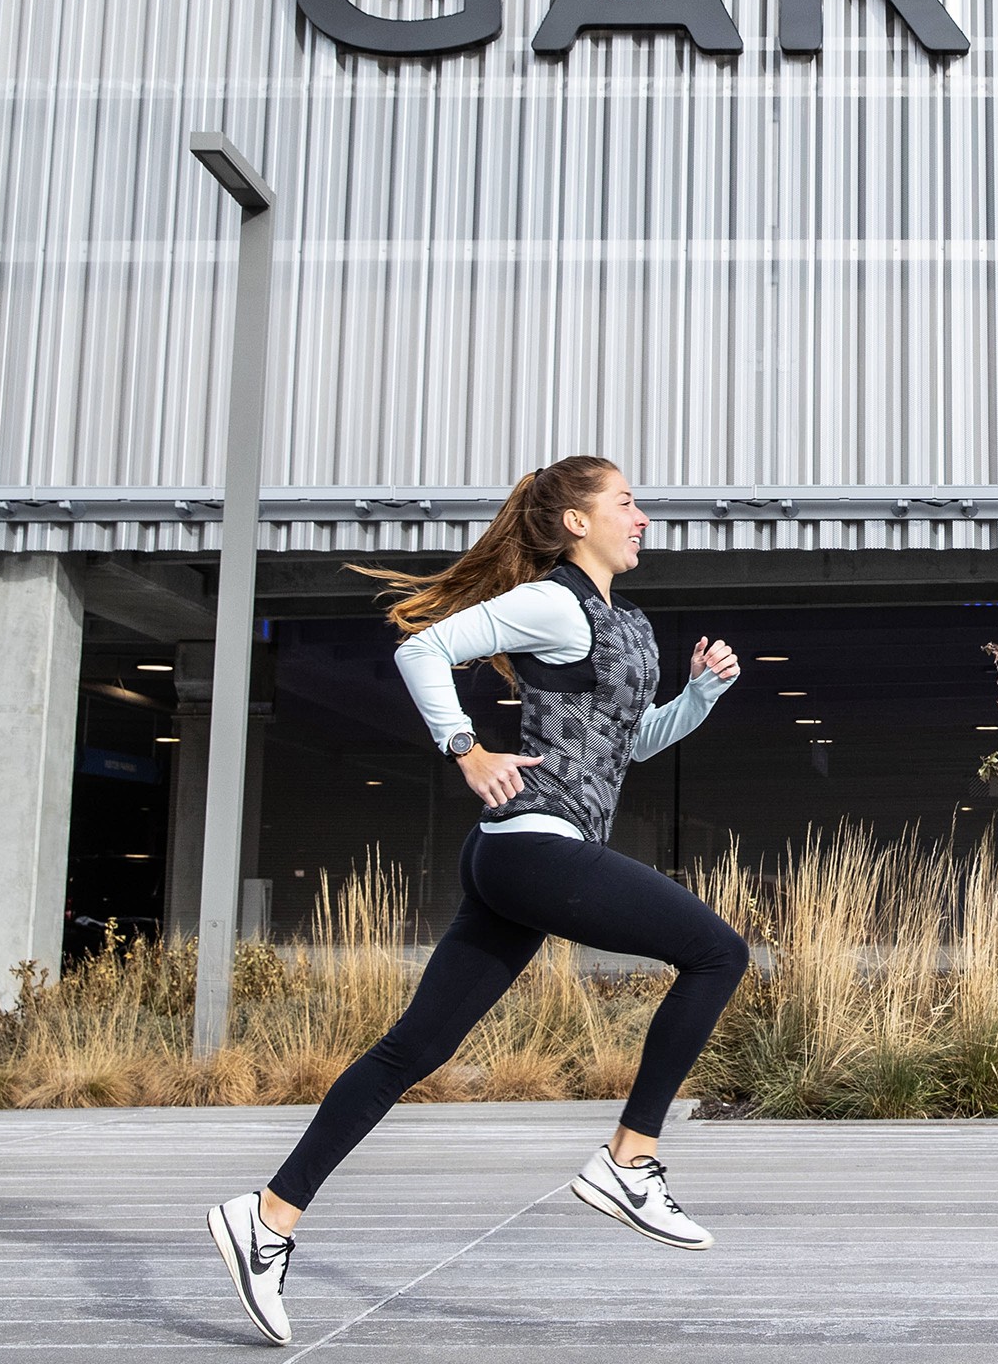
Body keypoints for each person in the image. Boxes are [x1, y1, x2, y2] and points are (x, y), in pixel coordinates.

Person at [207, 456, 749, 1345]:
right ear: (577, 522)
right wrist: (466, 747)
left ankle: (266, 1219)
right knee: (718, 952)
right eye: (625, 502)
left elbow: (631, 746)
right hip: (532, 846)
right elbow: (420, 648)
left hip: (528, 858)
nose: (642, 515)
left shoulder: (629, 624)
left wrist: (700, 694)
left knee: (410, 1050)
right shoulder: (551, 602)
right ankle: (630, 1161)